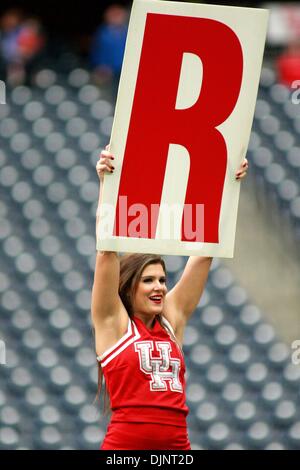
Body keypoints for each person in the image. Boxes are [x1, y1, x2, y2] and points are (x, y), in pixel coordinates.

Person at [91, 145, 248, 450]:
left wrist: (229, 184)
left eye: (162, 279)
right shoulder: (113, 323)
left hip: (177, 448)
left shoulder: (171, 319)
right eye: (148, 280)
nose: (159, 287)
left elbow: (205, 252)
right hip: (125, 449)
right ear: (127, 288)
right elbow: (106, 251)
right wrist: (107, 186)